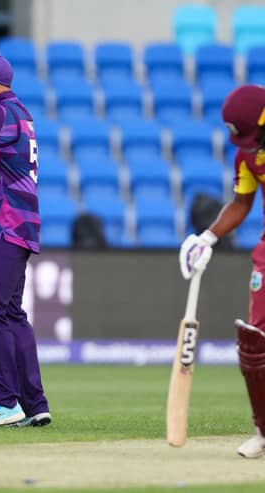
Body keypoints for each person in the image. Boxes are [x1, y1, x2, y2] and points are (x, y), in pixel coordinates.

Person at [178, 84, 265, 458]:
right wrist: (208, 237)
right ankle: (263, 429)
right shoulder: (248, 157)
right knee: (255, 340)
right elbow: (243, 202)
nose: (249, 145)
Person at [0, 53, 52, 427]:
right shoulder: (21, 112)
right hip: (21, 225)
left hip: (2, 224)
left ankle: (4, 401)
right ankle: (35, 403)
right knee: (13, 313)